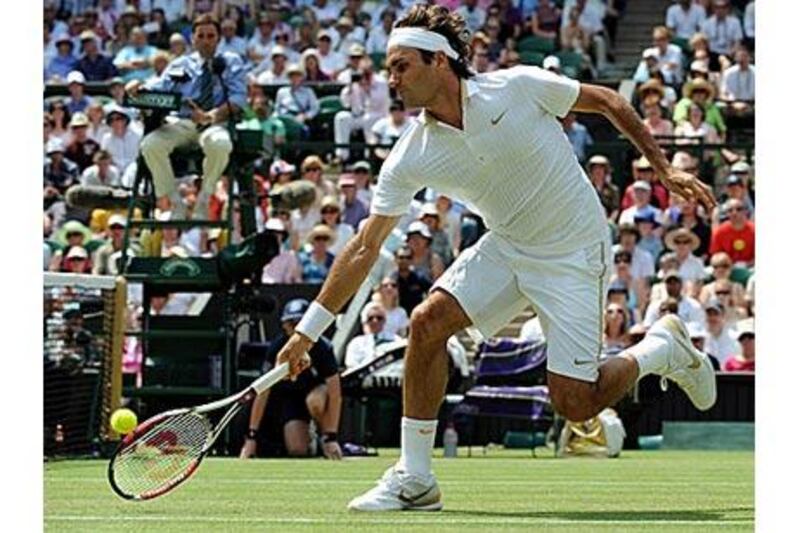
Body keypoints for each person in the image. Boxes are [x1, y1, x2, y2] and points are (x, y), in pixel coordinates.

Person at [273, 5, 716, 512]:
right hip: (508, 244)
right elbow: (364, 246)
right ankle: (415, 477)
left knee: (576, 403)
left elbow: (610, 102)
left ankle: (660, 348)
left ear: (440, 61)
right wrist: (307, 331)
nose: (389, 79)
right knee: (427, 322)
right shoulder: (410, 152)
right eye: (388, 68)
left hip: (573, 246)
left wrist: (661, 169)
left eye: (401, 66)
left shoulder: (517, 86)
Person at [129, 14, 247, 219]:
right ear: (193, 38)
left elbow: (238, 98)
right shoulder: (180, 64)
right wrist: (138, 88)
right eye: (201, 36)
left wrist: (211, 116)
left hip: (214, 124)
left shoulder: (230, 61)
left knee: (220, 144)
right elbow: (159, 87)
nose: (206, 40)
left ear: (218, 38)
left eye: (211, 36)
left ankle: (204, 198)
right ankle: (175, 203)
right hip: (182, 123)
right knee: (150, 145)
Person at [239, 299, 342, 459]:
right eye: (291, 323)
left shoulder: (323, 348)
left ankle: (324, 437)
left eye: (300, 322)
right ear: (284, 325)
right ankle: (311, 440)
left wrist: (331, 435)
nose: (295, 328)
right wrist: (251, 437)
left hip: (317, 396)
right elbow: (263, 392)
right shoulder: (276, 348)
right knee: (297, 450)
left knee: (315, 400)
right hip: (292, 400)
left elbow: (335, 393)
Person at [334, 56, 391, 163]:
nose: (364, 76)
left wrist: (368, 89)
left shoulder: (381, 82)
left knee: (369, 118)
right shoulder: (355, 81)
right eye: (362, 72)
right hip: (358, 116)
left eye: (367, 73)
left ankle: (368, 155)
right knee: (341, 117)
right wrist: (350, 88)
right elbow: (345, 103)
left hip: (377, 116)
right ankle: (342, 156)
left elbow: (380, 103)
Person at [345, 301, 403, 369]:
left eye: (379, 318)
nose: (375, 321)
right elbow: (351, 364)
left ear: (384, 321)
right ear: (364, 321)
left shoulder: (396, 340)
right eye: (370, 318)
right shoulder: (356, 343)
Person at [709, 198, 755, 268]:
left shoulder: (754, 229)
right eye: (730, 210)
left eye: (739, 209)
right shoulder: (720, 232)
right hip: (726, 268)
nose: (734, 212)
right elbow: (715, 256)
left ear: (745, 211)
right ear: (727, 213)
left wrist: (747, 264)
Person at [702, 299, 740, 364]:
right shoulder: (701, 339)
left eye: (716, 314)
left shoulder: (736, 338)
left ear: (723, 316)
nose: (712, 318)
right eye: (709, 314)